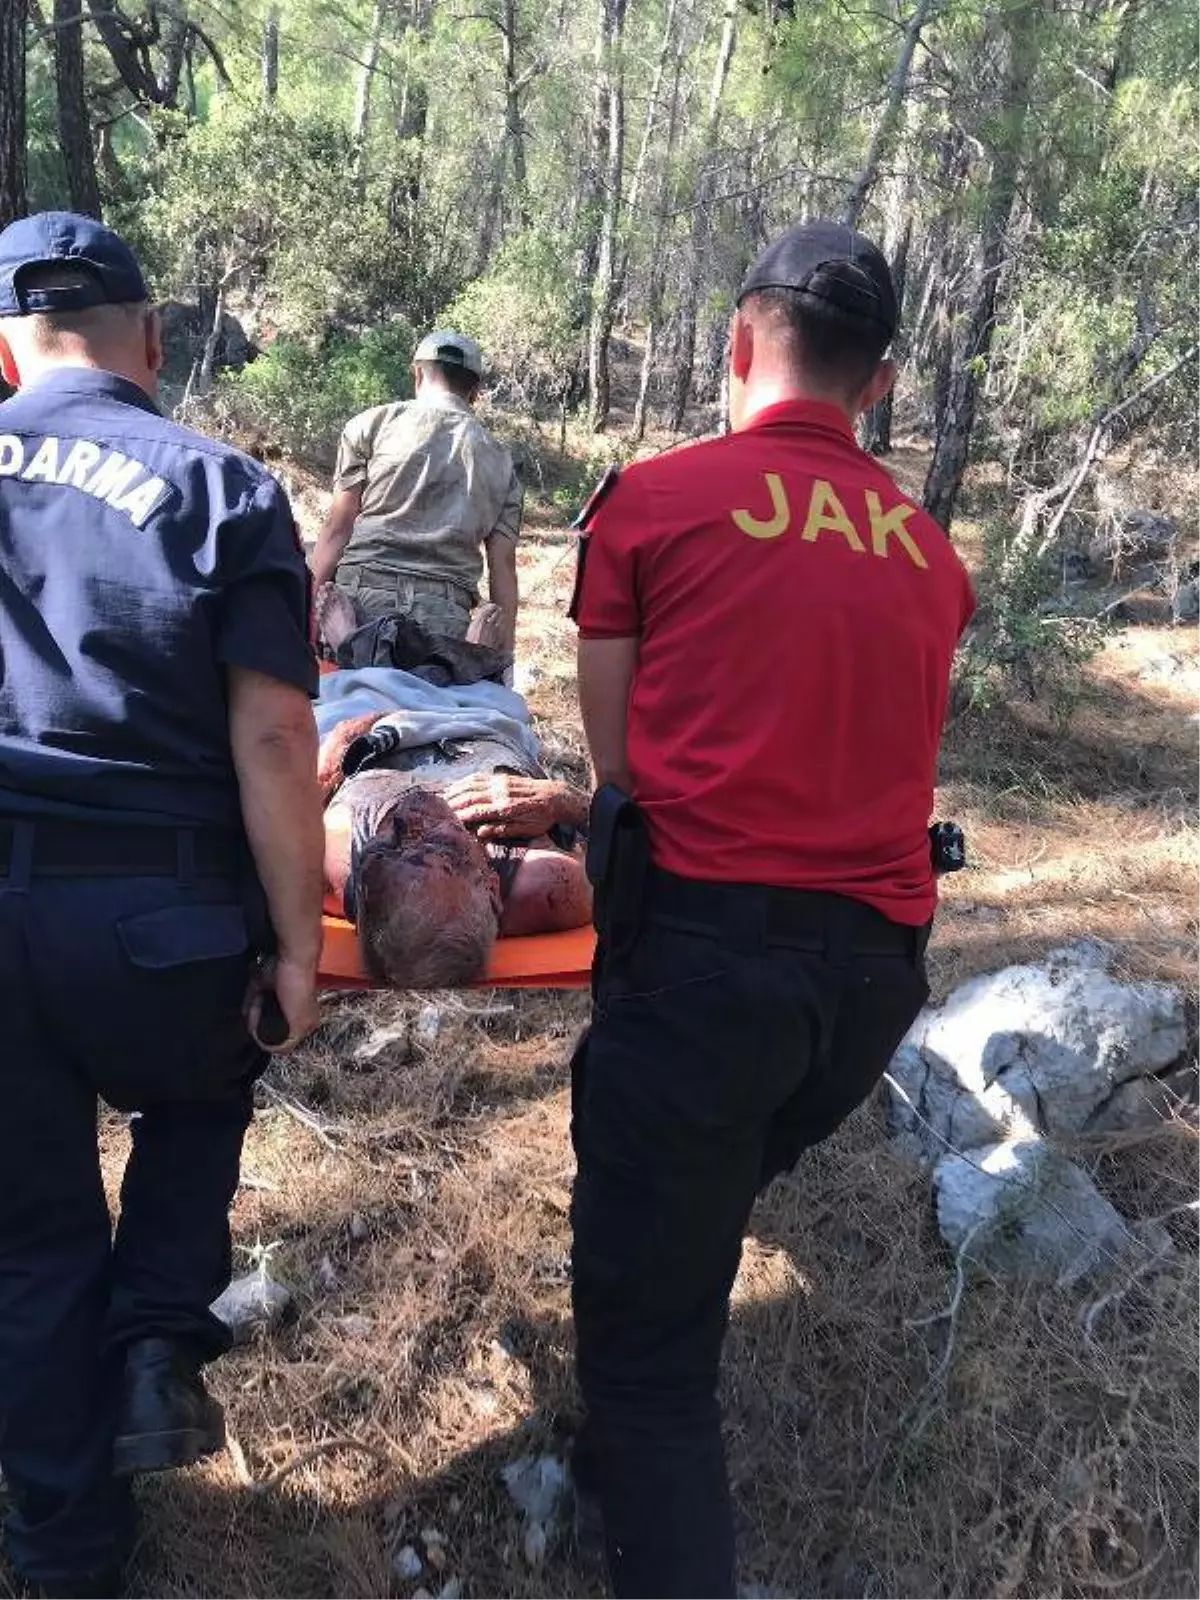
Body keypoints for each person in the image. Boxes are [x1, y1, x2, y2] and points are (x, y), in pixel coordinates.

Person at [568, 220, 976, 1600]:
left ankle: (644, 1483)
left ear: (739, 345)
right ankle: (626, 1435)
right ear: (882, 382)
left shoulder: (652, 502)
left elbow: (618, 767)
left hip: (702, 965)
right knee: (705, 1189)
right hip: (869, 987)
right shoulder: (932, 553)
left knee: (651, 1357)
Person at [0, 212, 325, 1600]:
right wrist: (299, 947)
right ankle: (154, 1338)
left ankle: (64, 1547)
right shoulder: (223, 487)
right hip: (159, 921)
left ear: (7, 354)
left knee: (28, 1244)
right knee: (204, 1084)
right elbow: (274, 737)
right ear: (148, 339)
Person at [318, 684, 591, 986]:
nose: (412, 814)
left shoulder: (342, 857)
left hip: (367, 706)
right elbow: (624, 845)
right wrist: (563, 801)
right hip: (481, 706)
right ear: (491, 885)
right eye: (439, 845)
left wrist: (321, 776)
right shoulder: (547, 884)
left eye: (389, 843)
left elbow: (301, 809)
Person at [309, 329, 523, 653]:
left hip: (361, 593)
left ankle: (351, 646)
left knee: (348, 680)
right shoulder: (502, 461)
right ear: (475, 392)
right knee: (435, 680)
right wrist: (504, 659)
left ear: (417, 374)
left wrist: (305, 615)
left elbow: (337, 529)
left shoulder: (371, 424)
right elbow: (502, 567)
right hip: (446, 611)